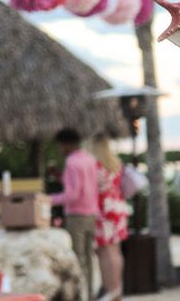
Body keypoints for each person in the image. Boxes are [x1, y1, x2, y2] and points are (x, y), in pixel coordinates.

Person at [51, 128, 99, 301]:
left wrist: (48, 199)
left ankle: (79, 294)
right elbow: (88, 187)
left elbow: (72, 194)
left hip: (76, 215)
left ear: (66, 144)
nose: (59, 148)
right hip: (91, 213)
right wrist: (62, 178)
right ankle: (90, 292)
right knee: (89, 257)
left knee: (77, 258)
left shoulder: (71, 162)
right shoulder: (89, 159)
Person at [91, 133, 129, 301]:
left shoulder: (95, 165)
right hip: (118, 207)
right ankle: (117, 288)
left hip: (103, 210)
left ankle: (110, 288)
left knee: (105, 251)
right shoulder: (115, 163)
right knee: (115, 251)